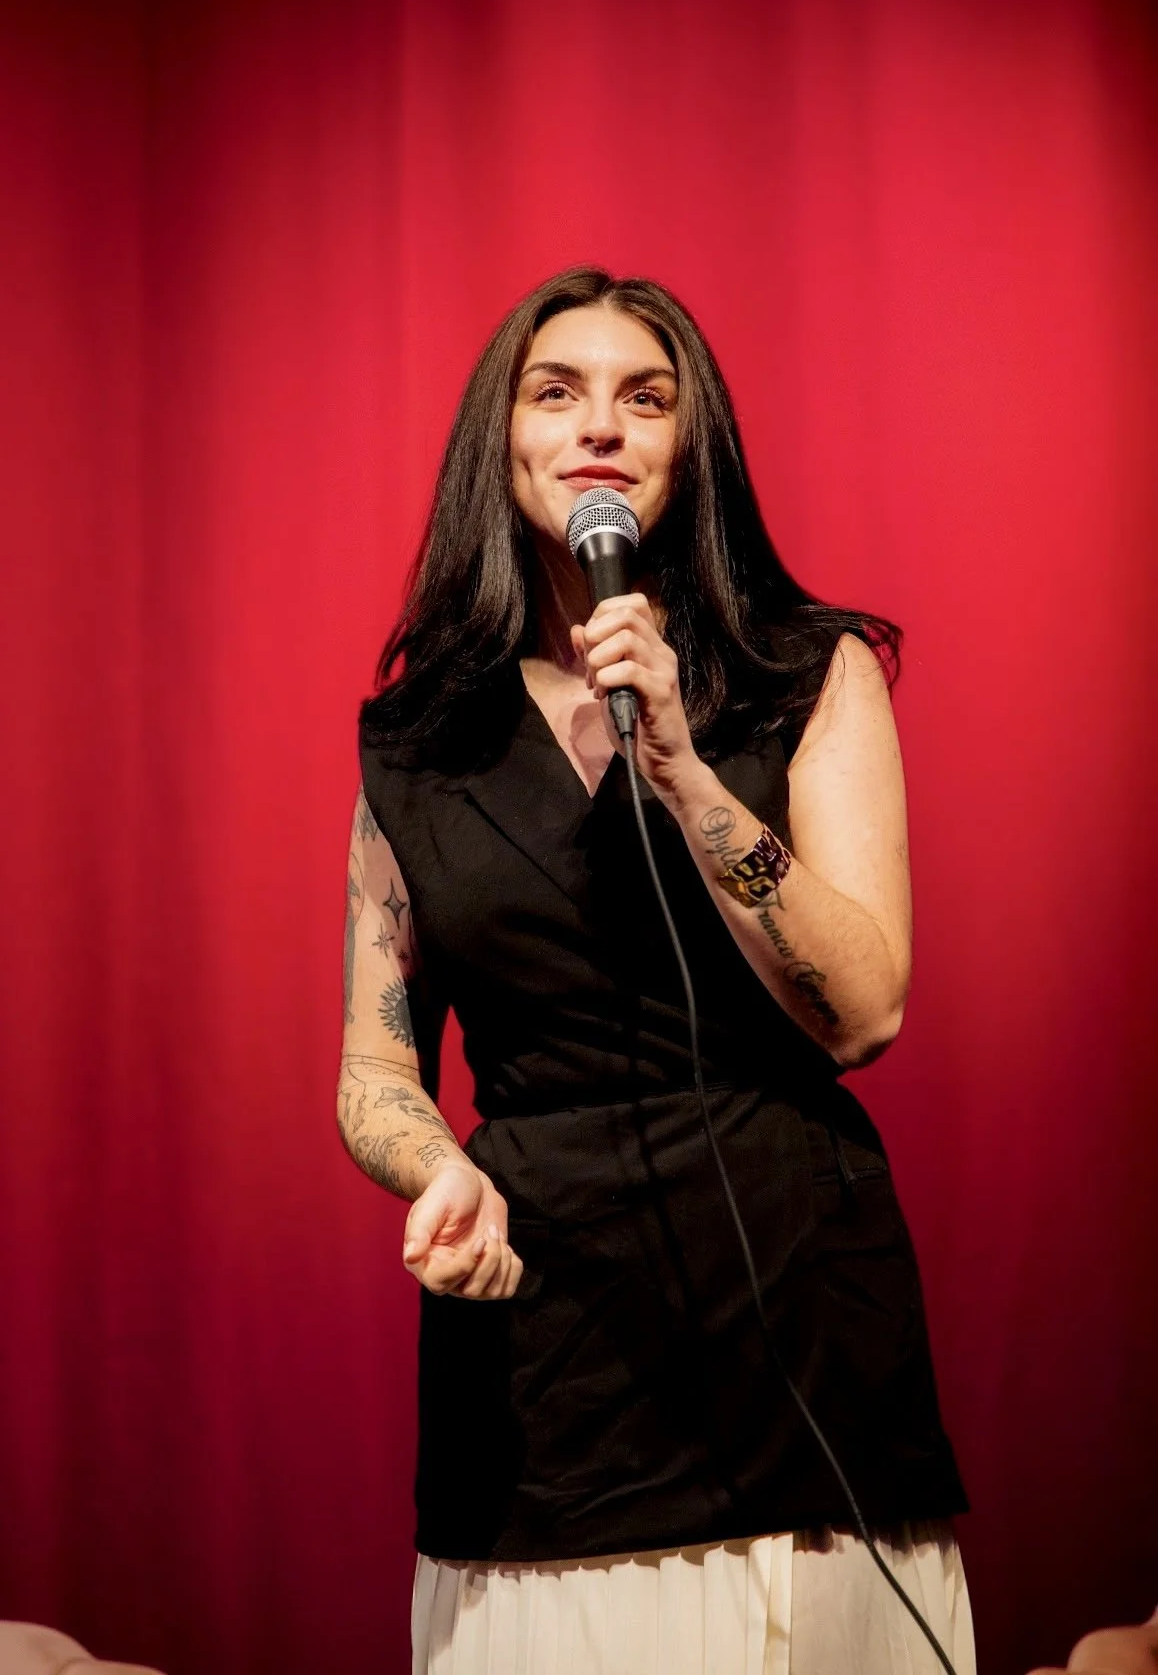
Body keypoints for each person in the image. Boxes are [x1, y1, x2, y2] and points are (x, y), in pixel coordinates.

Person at [341, 267, 974, 1674]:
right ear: (502, 442)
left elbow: (865, 1010)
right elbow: (375, 1063)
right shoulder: (419, 740)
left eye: (644, 398)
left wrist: (686, 771)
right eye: (555, 392)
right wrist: (436, 1171)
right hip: (542, 1335)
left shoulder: (806, 674)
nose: (599, 426)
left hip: (792, 1315)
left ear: (690, 451)